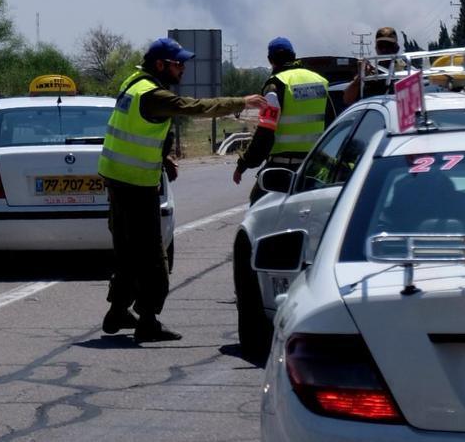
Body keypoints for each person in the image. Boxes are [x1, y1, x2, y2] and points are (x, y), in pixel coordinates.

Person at [98, 36, 267, 343]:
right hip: (136, 185)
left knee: (127, 250)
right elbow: (197, 108)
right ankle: (148, 320)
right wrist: (241, 102)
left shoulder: (133, 84)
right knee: (153, 256)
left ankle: (118, 310)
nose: (183, 70)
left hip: (117, 179)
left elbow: (134, 127)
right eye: (178, 65)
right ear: (160, 65)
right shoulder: (155, 95)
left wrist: (162, 157)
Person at [232, 37, 335, 203]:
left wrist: (244, 164)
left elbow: (265, 132)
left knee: (257, 210)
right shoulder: (320, 81)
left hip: (282, 169)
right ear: (294, 56)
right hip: (314, 169)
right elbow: (332, 123)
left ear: (270, 60)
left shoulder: (276, 86)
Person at [343, 27, 401, 107]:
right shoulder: (370, 75)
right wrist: (360, 78)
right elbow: (347, 100)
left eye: (389, 46)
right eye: (381, 46)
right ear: (376, 48)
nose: (384, 50)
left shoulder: (405, 73)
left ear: (397, 48)